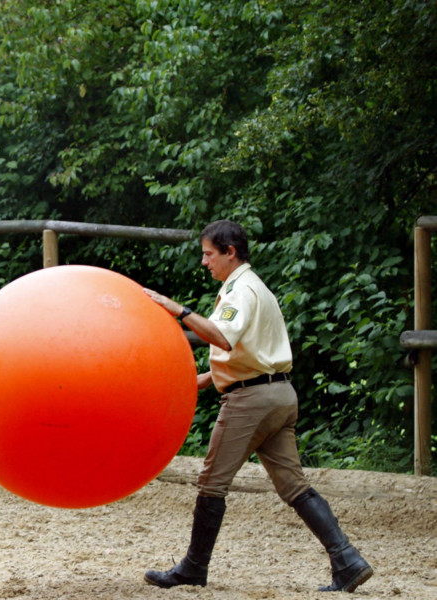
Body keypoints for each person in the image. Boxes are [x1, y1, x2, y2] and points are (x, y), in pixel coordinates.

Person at [141, 220, 373, 593]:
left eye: (208, 254)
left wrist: (176, 309)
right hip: (278, 395)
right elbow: (247, 360)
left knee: (211, 483)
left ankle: (193, 569)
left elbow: (222, 337)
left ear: (230, 252)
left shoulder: (241, 290)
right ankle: (347, 560)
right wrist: (190, 383)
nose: (204, 262)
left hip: (251, 401)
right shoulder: (255, 287)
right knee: (295, 486)